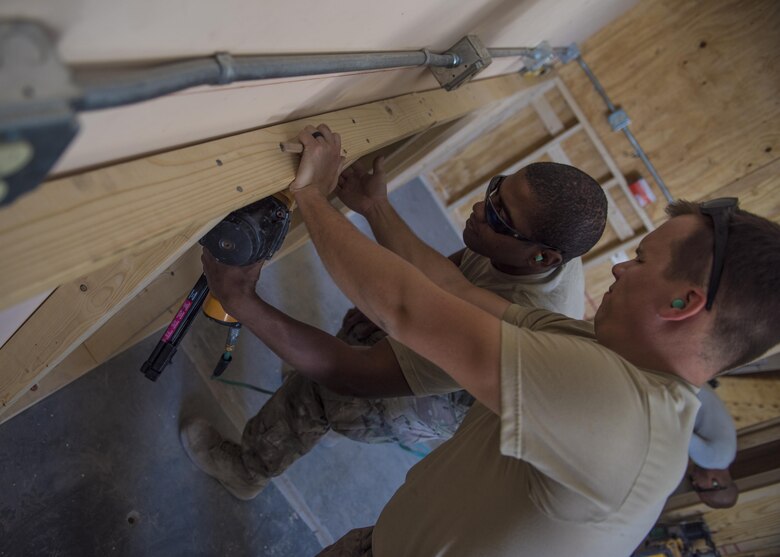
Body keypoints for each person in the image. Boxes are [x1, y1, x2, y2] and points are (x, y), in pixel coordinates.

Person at [242, 124, 779, 556]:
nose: (618, 271)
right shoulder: (599, 349)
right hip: (378, 543)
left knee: (327, 392)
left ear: (683, 305)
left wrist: (309, 196)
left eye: (639, 261)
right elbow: (451, 288)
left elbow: (407, 310)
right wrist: (374, 209)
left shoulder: (620, 407)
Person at [180, 158, 609, 500]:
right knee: (352, 337)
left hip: (443, 399)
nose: (481, 209)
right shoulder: (528, 246)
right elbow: (450, 277)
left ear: (543, 258)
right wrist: (373, 206)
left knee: (322, 390)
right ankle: (309, 422)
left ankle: (246, 470)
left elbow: (351, 374)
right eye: (494, 189)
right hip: (455, 341)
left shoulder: (511, 325)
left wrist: (241, 299)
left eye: (499, 216)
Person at [687, 384, 739, 508]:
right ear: (715, 483)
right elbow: (678, 432)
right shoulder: (710, 460)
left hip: (697, 385)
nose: (694, 482)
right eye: (698, 487)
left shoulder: (728, 456)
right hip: (684, 386)